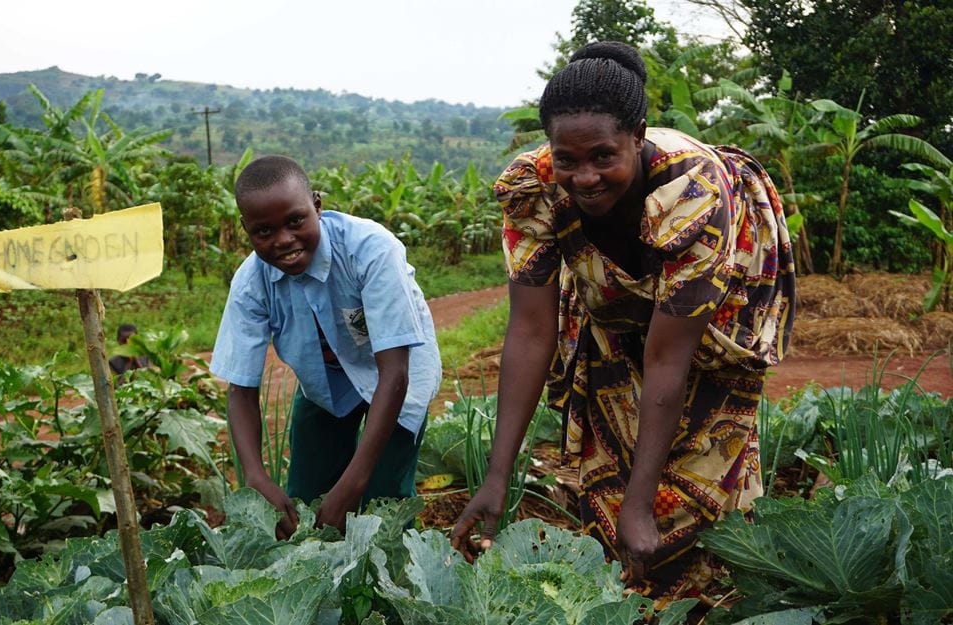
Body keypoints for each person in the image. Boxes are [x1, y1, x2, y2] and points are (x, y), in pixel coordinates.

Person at [451, 41, 795, 598]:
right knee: (608, 459)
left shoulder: (694, 191)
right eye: (568, 159)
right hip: (610, 304)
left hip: (716, 309)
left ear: (638, 136)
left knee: (698, 465)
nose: (584, 177)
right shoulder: (533, 186)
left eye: (603, 157)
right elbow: (531, 330)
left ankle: (709, 598)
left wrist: (642, 505)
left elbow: (669, 355)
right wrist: (497, 477)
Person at [210, 155, 441, 538]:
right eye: (263, 231)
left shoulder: (370, 250)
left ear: (317, 206)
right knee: (303, 499)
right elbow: (241, 389)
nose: (283, 240)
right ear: (245, 229)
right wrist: (254, 476)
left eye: (296, 221)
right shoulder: (251, 282)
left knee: (383, 505)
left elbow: (394, 372)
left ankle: (392, 587)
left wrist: (354, 483)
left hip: (397, 380)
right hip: (325, 384)